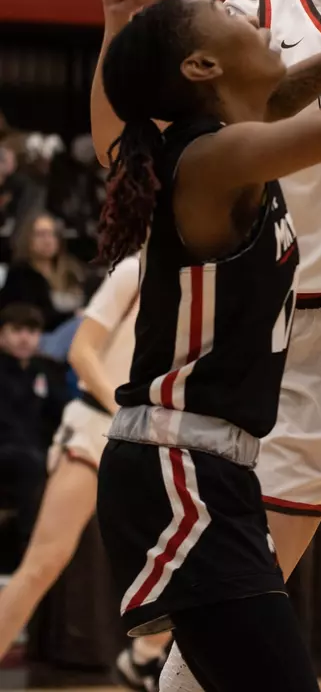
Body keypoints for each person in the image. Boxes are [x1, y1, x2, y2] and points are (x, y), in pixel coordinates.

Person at [92, 0, 321, 692]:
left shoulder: (229, 142)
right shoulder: (208, 159)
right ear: (202, 65)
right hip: (177, 466)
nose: (257, 22)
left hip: (205, 467)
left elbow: (287, 97)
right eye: (233, 20)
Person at [0, 257, 170, 689]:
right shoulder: (135, 271)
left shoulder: (207, 280)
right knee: (43, 563)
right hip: (100, 426)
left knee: (191, 558)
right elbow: (80, 351)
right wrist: (123, 414)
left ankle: (144, 659)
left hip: (157, 438)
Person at [0, 304, 66, 557]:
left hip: (38, 449)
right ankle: (29, 548)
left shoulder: (46, 370)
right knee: (30, 461)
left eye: (32, 331)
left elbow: (62, 413)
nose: (25, 338)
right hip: (7, 450)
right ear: (2, 334)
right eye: (17, 330)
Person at [0, 212, 86, 330]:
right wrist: (72, 317)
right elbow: (36, 316)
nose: (47, 240)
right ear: (28, 239)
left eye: (52, 234)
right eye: (40, 234)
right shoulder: (20, 274)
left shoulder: (72, 271)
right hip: (37, 335)